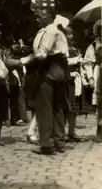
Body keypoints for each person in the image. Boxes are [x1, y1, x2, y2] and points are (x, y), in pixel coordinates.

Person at [26, 14, 71, 155]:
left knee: (45, 108)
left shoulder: (50, 31)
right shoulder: (60, 32)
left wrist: (25, 60)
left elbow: (42, 54)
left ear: (49, 17)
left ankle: (47, 145)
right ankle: (59, 142)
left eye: (41, 15)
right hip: (60, 71)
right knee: (57, 108)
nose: (38, 18)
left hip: (49, 70)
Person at [84, 19, 102, 143]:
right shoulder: (94, 45)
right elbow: (88, 62)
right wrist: (90, 78)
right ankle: (100, 130)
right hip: (100, 72)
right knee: (101, 104)